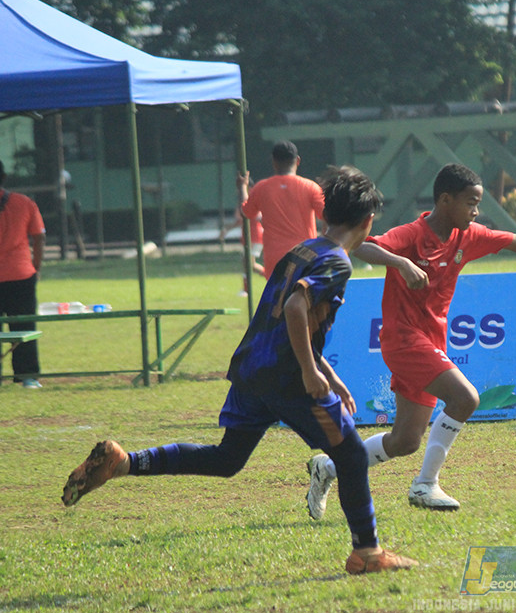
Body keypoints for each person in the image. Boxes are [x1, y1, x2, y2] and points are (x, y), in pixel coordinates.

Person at [61, 166, 418, 575]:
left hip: (254, 367)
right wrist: (309, 371)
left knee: (228, 458)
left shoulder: (303, 250)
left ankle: (124, 462)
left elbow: (281, 317)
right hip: (286, 377)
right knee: (352, 455)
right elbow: (295, 308)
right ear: (369, 220)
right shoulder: (337, 263)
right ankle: (368, 554)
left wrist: (326, 372)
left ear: (326, 215)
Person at [305, 163, 516, 515]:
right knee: (466, 398)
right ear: (446, 200)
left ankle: (326, 468)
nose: (476, 211)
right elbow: (362, 247)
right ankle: (425, 485)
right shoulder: (410, 234)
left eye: (477, 204)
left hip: (431, 340)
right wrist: (401, 263)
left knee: (404, 441)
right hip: (403, 340)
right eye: (471, 203)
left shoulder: (468, 236)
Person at [237, 141, 325, 278]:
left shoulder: (261, 188)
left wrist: (243, 187)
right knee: (303, 296)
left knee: (278, 297)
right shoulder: (310, 187)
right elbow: (327, 216)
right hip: (305, 255)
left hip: (275, 258)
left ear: (273, 161)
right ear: (297, 161)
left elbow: (246, 212)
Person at [0, 158, 46, 389]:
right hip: (21, 275)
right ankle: (28, 376)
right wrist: (36, 267)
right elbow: (39, 237)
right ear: (4, 177)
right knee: (24, 327)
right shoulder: (24, 202)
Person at [219, 206, 265, 296]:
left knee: (248, 263)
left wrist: (226, 229)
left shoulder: (247, 204)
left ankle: (246, 290)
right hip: (252, 236)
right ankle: (247, 288)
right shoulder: (248, 203)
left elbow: (241, 220)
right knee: (250, 265)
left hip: (253, 236)